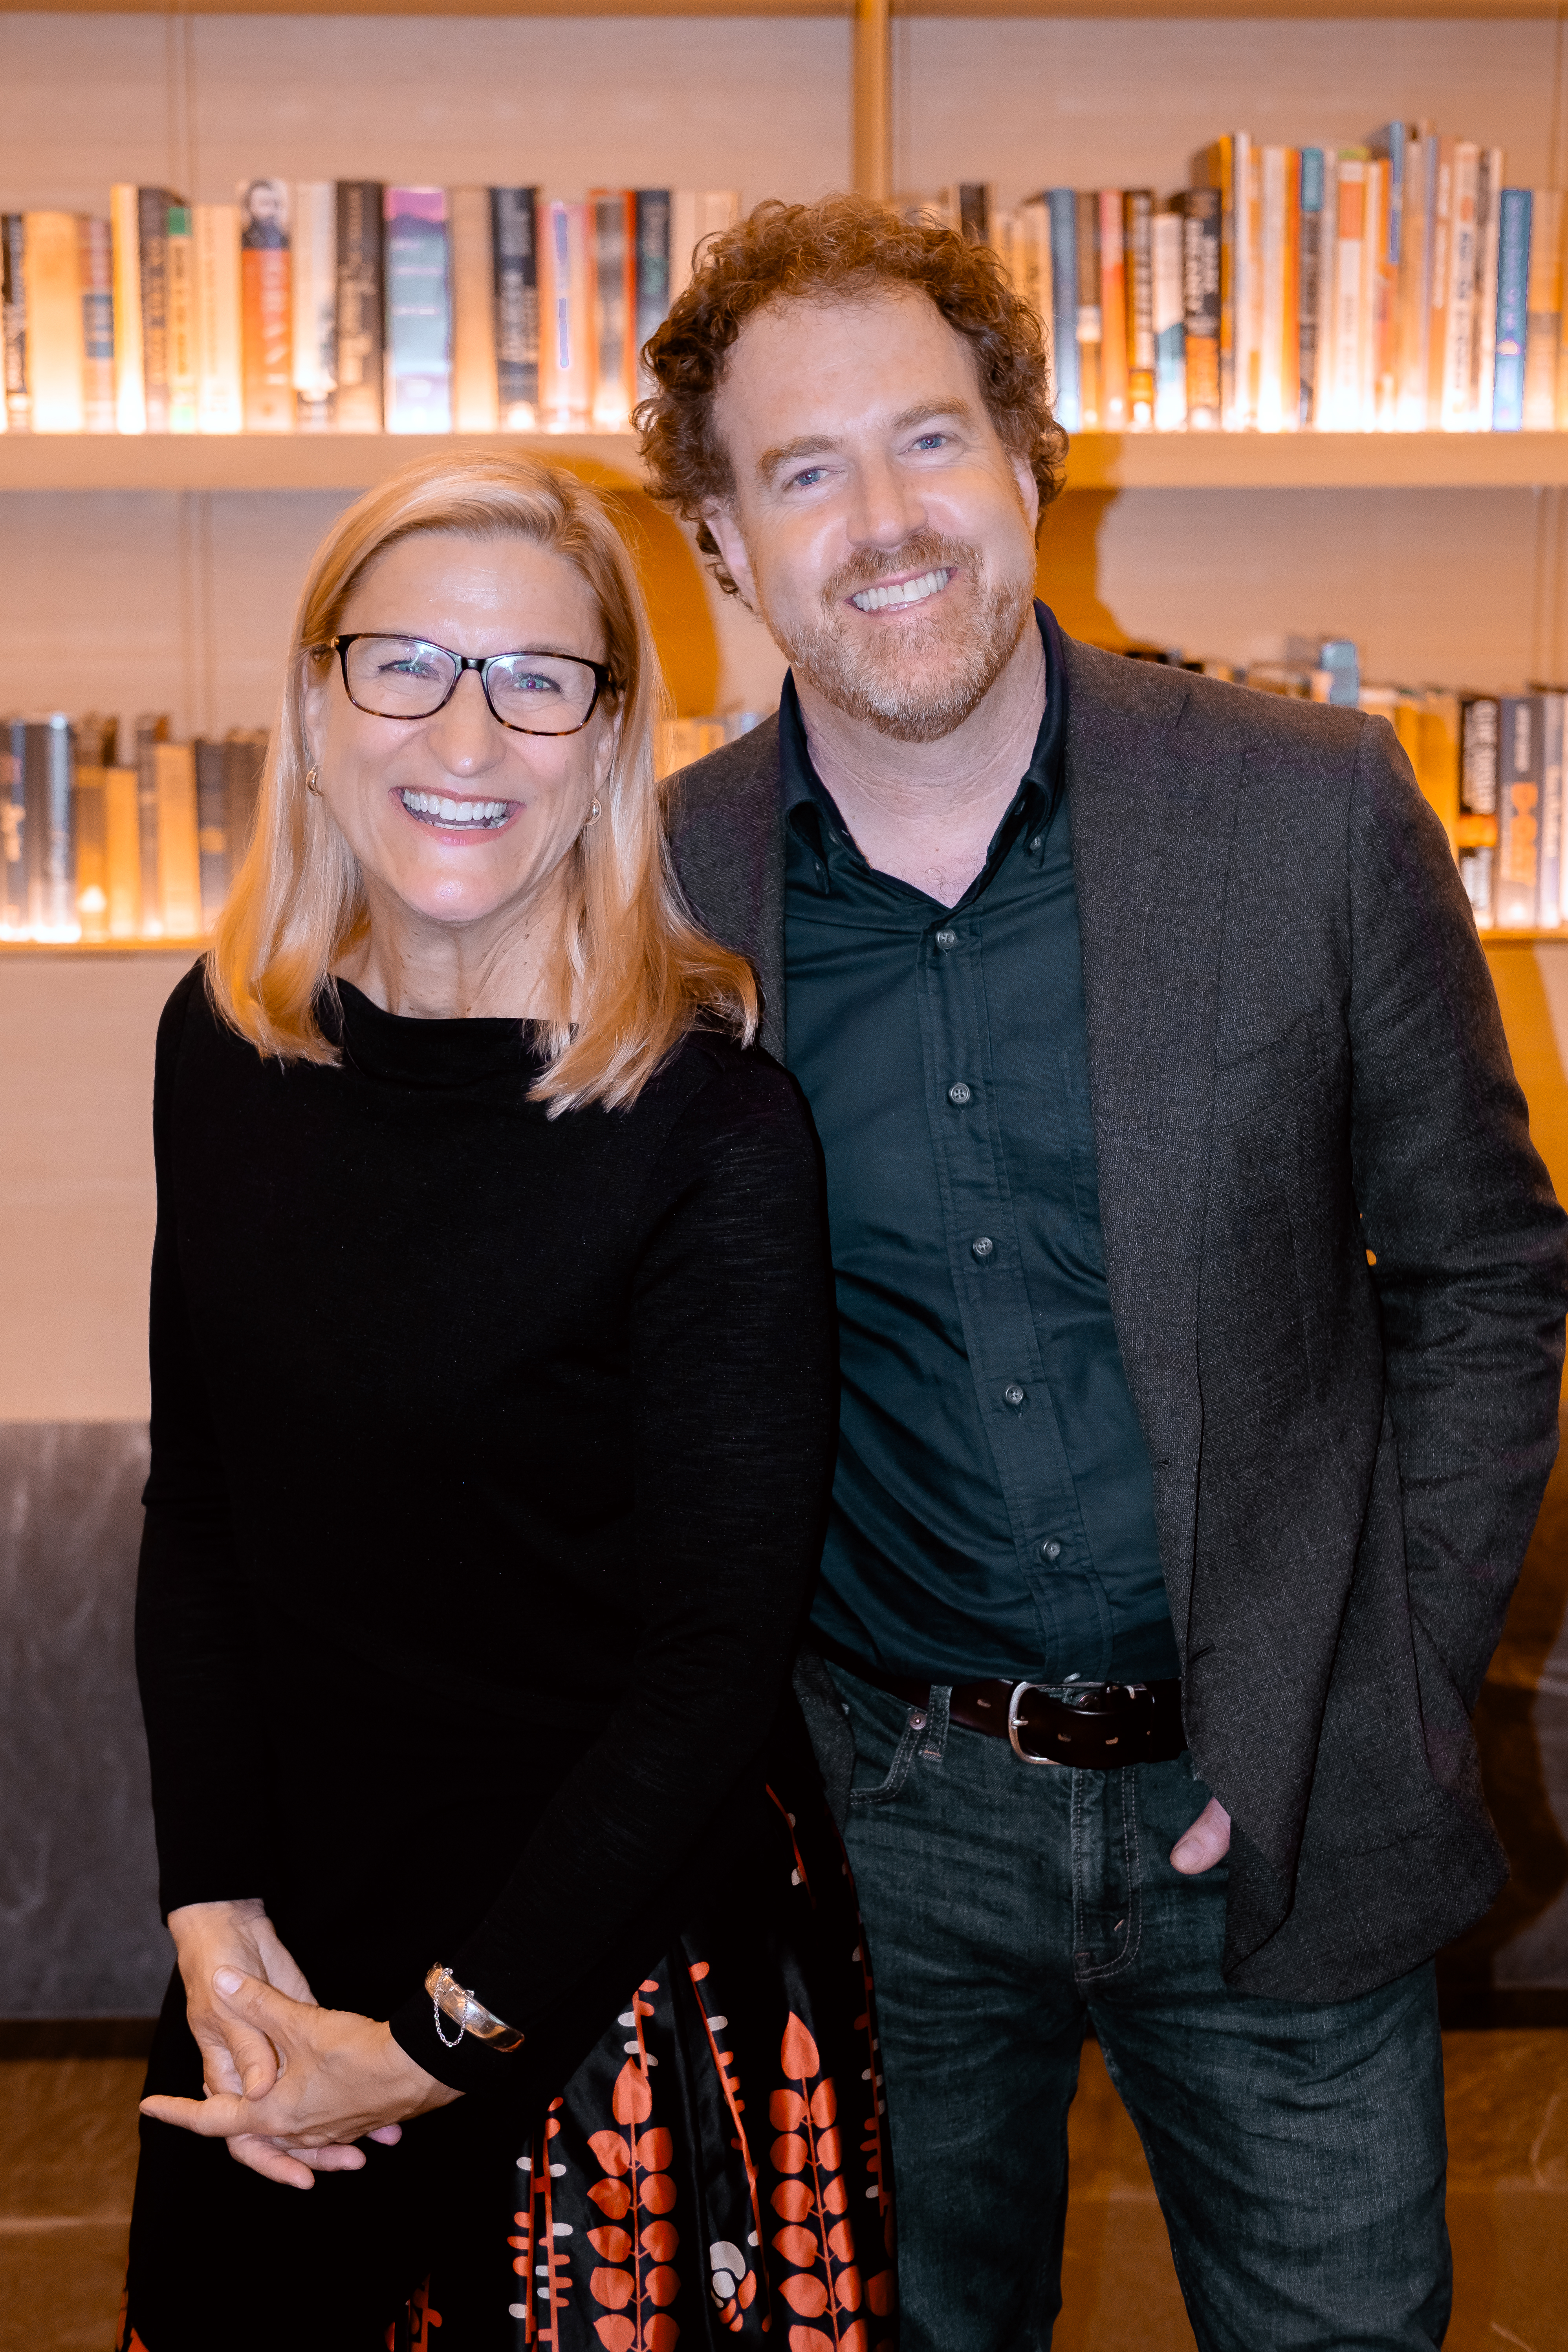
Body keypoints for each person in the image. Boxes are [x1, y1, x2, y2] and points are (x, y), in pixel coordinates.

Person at [635, 194, 1568, 2351]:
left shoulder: (1311, 810)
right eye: (801, 471)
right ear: (721, 549)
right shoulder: (660, 891)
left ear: (1027, 456)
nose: (883, 523)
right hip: (876, 1825)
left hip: (1281, 1808)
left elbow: (1478, 1274)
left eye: (927, 441)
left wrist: (1374, 1679)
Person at [122, 451, 896, 2352]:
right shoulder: (224, 1045)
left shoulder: (708, 1120)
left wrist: (438, 2044)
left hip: (606, 1988)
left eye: (540, 678)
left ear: (611, 737)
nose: (467, 728)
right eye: (405, 663)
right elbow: (203, 1509)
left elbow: (711, 1665)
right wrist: (209, 1909)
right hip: (287, 1963)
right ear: (314, 702)